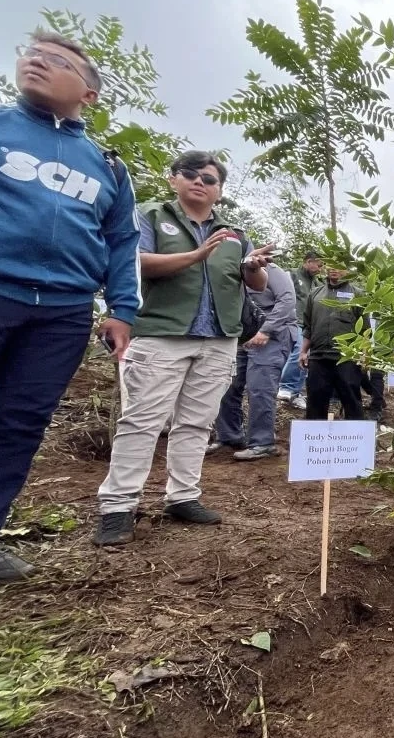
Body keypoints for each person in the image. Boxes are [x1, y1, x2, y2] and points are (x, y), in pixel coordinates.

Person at [0, 33, 140, 580]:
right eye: (30, 55)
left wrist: (122, 308)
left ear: (90, 92)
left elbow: (122, 242)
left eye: (56, 61)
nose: (35, 62)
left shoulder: (106, 165)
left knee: (21, 420)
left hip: (63, 309)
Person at [94, 150, 273, 546]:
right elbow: (132, 262)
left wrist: (252, 265)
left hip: (218, 339)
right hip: (161, 334)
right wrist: (195, 255)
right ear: (173, 178)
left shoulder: (233, 234)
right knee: (142, 421)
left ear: (219, 190)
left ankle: (183, 496)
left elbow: (256, 286)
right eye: (190, 174)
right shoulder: (150, 216)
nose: (200, 182)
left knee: (196, 423)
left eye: (209, 179)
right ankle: (118, 506)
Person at [209, 262, 297, 460]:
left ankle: (262, 442)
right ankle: (229, 436)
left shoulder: (272, 271)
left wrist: (266, 329)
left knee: (260, 387)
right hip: (242, 334)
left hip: (273, 335)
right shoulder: (229, 270)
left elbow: (287, 300)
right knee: (227, 384)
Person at [299, 267, 367, 421]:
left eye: (339, 265)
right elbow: (308, 327)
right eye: (330, 265)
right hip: (318, 357)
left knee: (352, 401)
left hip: (347, 358)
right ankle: (315, 441)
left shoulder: (357, 294)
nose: (333, 269)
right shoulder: (315, 294)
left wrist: (364, 355)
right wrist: (303, 352)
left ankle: (355, 441)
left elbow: (365, 330)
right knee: (315, 402)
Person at [278, 251, 322, 411]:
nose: (320, 269)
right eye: (319, 265)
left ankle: (296, 393)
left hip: (310, 326)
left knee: (307, 357)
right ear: (308, 262)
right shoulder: (292, 275)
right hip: (293, 321)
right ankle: (286, 386)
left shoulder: (317, 284)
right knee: (297, 352)